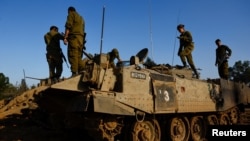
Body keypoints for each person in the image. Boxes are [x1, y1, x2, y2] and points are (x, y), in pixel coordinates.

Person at [63, 6, 86, 77]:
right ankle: (83, 70)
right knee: (78, 57)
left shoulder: (71, 14)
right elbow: (83, 30)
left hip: (74, 38)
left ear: (69, 11)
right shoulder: (82, 18)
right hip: (81, 40)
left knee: (73, 55)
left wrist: (65, 37)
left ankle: (74, 73)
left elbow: (68, 26)